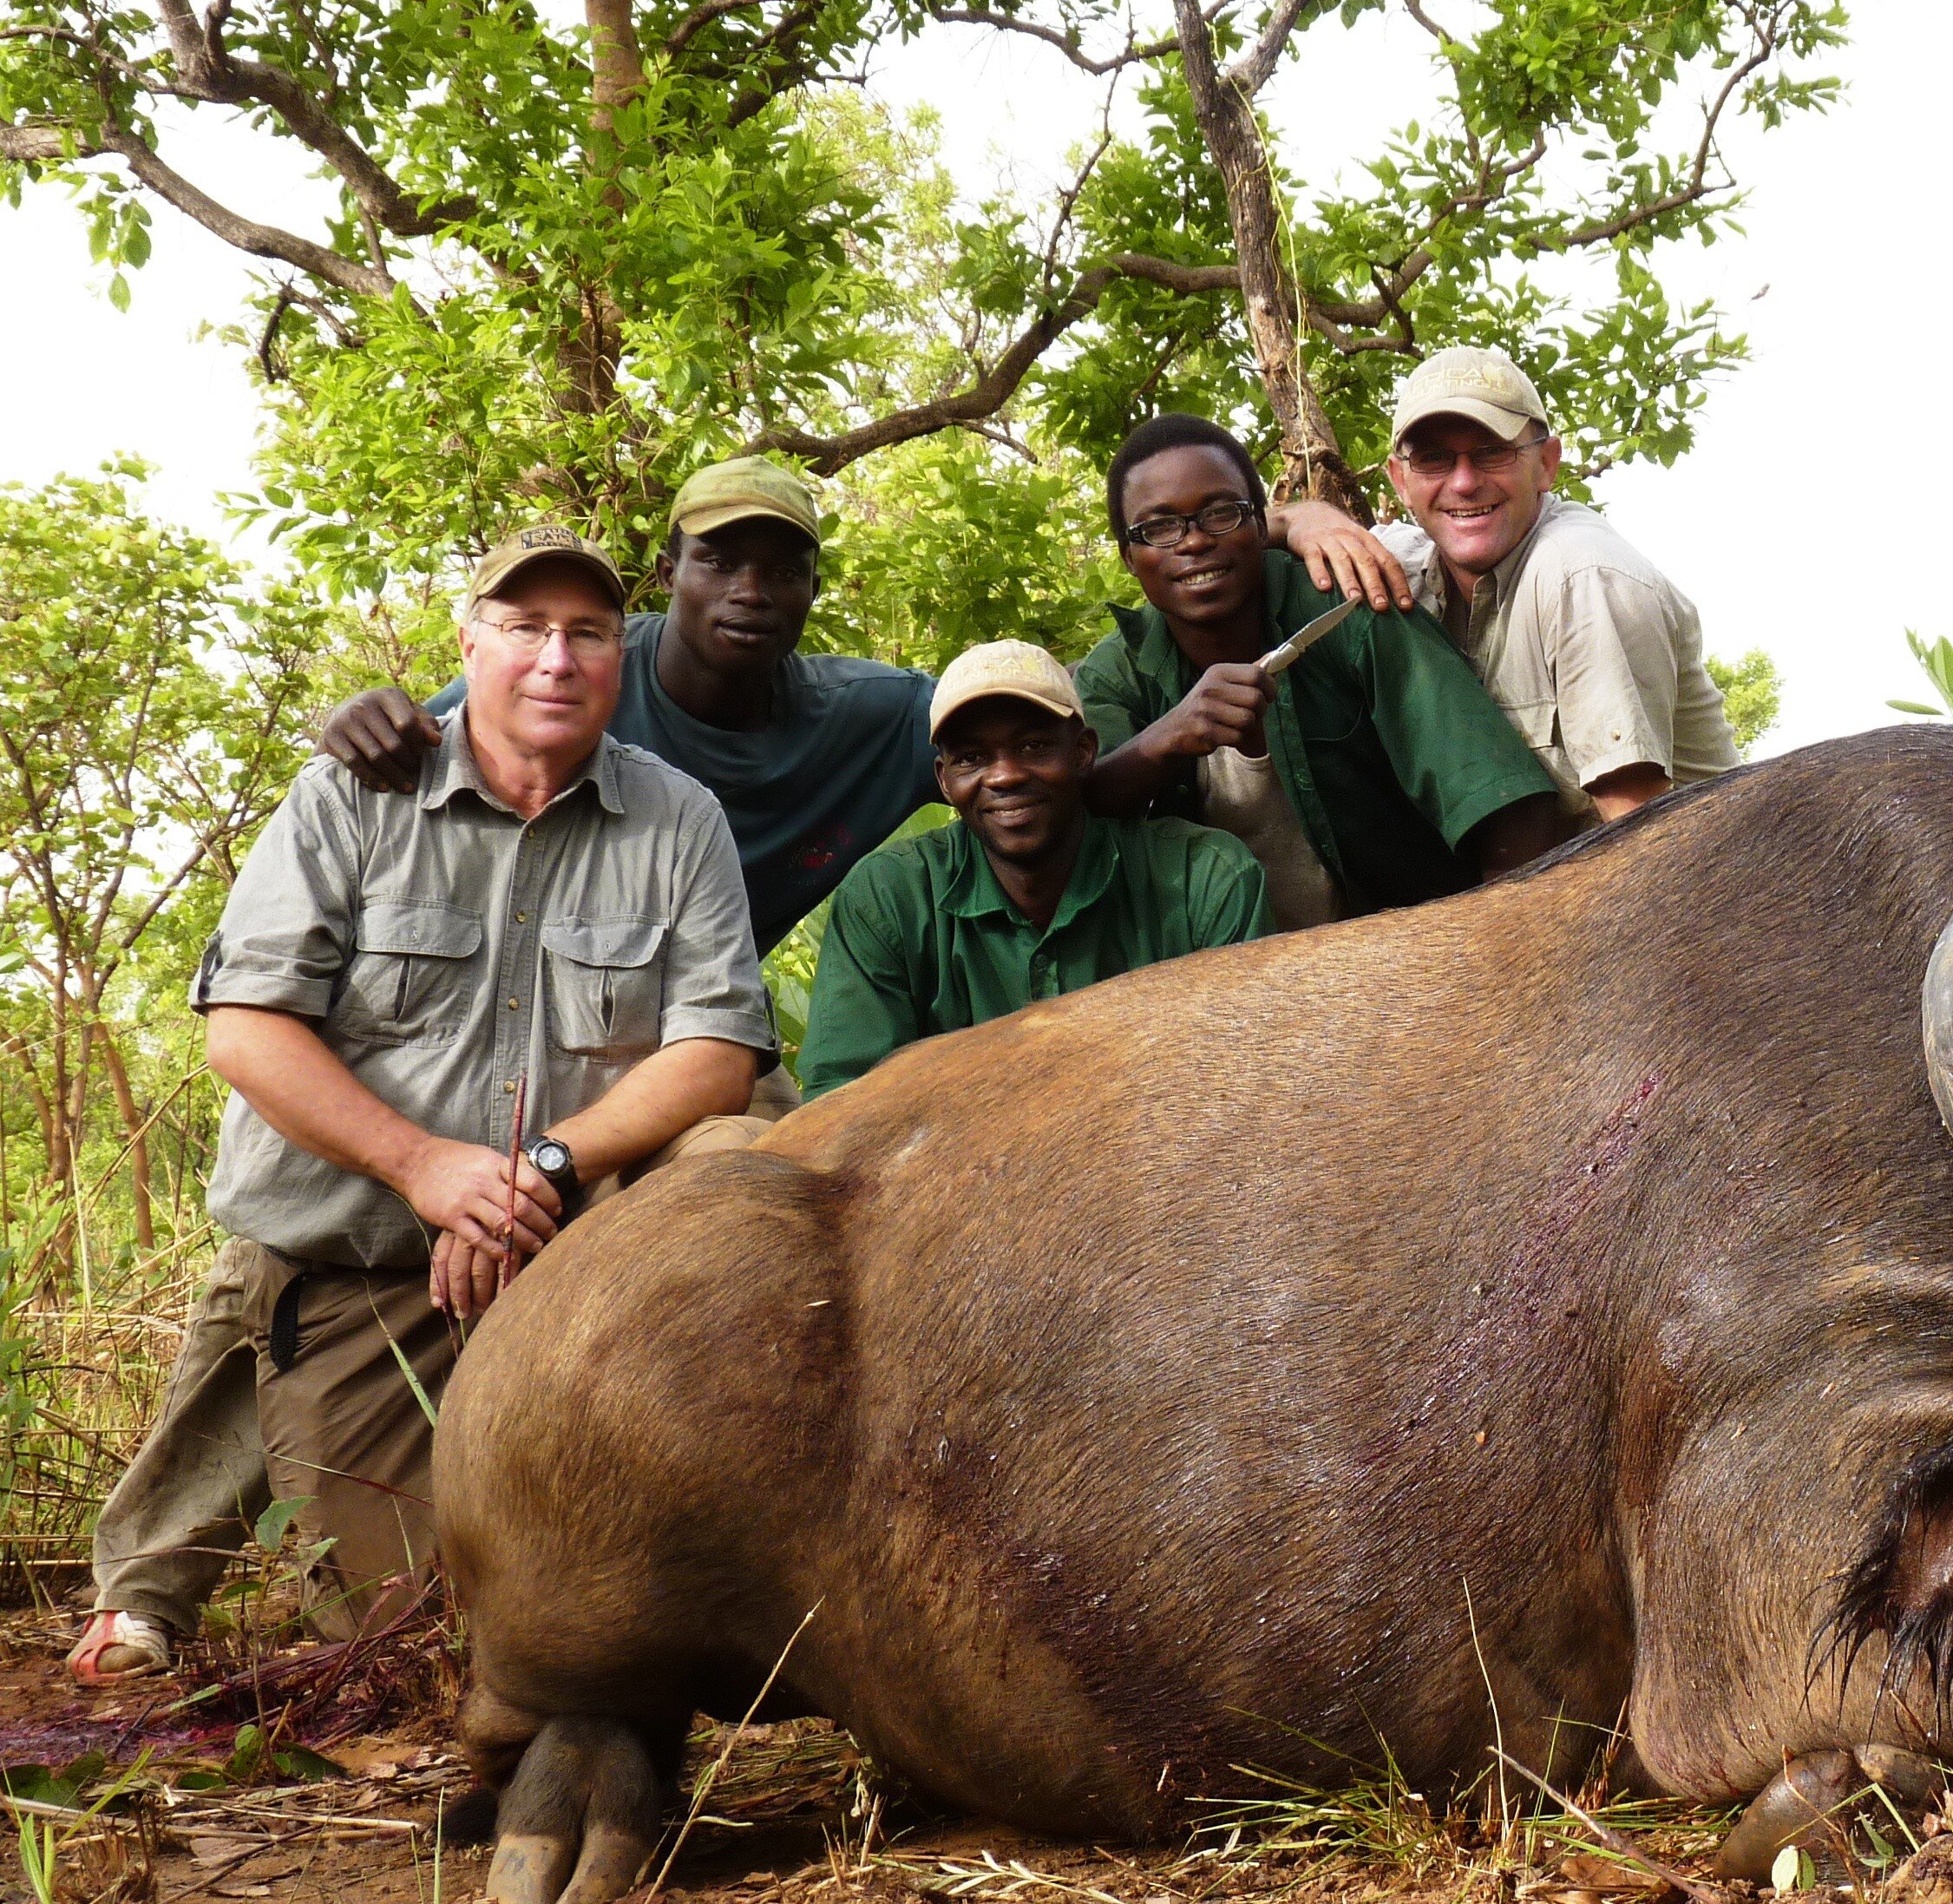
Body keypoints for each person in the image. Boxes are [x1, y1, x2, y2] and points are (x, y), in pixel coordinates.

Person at [66, 524, 774, 1684]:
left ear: (622, 656)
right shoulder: (352, 795)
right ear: (470, 643)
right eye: (524, 628)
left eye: (587, 633)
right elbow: (244, 1032)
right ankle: (147, 1586)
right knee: (408, 1635)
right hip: (362, 1259)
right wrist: (426, 1168)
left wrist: (538, 1166)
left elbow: (717, 1050)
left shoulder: (679, 816)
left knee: (737, 1149)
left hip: (557, 1258)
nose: (555, 658)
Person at [317, 456, 938, 962]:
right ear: (669, 573)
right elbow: (416, 742)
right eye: (718, 563)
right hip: (512, 990)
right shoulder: (580, 674)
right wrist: (362, 721)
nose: (749, 592)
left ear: (812, 592)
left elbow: (1019, 731)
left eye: (782, 572)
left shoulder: (874, 719)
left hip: (701, 1016)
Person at [1077, 414, 1582, 929]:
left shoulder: (1350, 610)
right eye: (1158, 528)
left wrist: (1501, 952)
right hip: (1225, 982)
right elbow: (1069, 813)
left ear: (1261, 526)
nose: (1193, 542)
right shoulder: (1118, 673)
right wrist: (1167, 737)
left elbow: (1507, 808)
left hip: (1405, 952)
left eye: (1221, 514)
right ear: (1128, 556)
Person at [1276, 346, 1740, 821]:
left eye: (1492, 453)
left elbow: (1641, 836)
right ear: (1399, 479)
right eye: (1434, 460)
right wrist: (1307, 518)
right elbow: (1238, 534)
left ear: (1546, 464)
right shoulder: (1404, 564)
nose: (1463, 482)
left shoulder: (1582, 579)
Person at [797, 641, 1270, 1095]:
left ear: (1084, 752)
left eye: (1033, 747)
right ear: (945, 780)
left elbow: (1250, 1076)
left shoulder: (1203, 877)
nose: (1004, 776)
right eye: (972, 758)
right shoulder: (891, 896)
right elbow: (842, 1097)